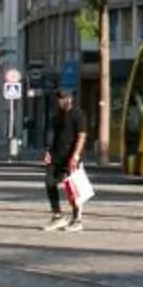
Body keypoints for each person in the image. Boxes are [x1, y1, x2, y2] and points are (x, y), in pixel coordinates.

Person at [43, 90, 91, 233]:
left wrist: (76, 156)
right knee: (49, 182)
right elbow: (52, 135)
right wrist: (47, 151)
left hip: (71, 157)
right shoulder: (56, 116)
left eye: (62, 98)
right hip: (56, 155)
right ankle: (57, 216)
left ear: (69, 99)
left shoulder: (78, 114)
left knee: (72, 188)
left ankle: (77, 220)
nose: (59, 101)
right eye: (58, 98)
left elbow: (82, 136)